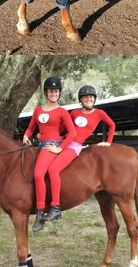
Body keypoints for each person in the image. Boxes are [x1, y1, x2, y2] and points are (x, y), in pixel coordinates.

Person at [41, 85, 115, 223]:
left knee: (53, 169)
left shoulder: (100, 113)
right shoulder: (74, 113)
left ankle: (55, 208)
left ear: (94, 99)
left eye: (91, 97)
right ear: (81, 100)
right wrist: (46, 133)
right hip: (62, 142)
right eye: (86, 97)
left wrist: (108, 142)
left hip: (73, 146)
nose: (89, 99)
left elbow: (112, 125)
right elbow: (62, 127)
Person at [22, 76, 76, 231]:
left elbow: (72, 133)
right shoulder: (38, 109)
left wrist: (60, 148)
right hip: (39, 146)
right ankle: (43, 210)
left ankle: (44, 212)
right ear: (46, 93)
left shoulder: (62, 111)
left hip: (51, 146)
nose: (54, 93)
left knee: (38, 174)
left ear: (59, 93)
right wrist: (26, 135)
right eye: (51, 91)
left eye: (56, 91)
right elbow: (31, 127)